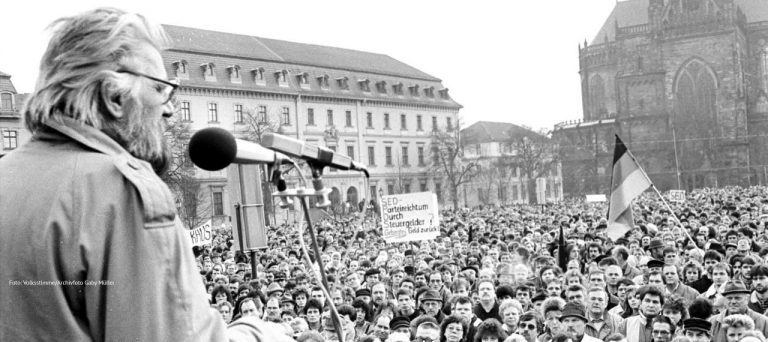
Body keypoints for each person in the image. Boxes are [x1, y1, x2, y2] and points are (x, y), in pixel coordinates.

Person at [0, 7, 289, 342]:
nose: (169, 108)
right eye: (161, 88)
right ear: (114, 97)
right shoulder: (124, 191)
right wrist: (258, 333)